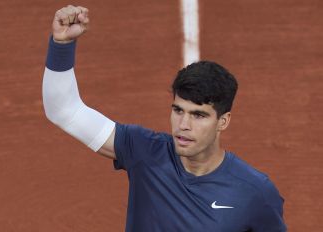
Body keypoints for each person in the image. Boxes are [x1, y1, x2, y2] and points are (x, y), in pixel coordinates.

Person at [42, 5, 286, 232]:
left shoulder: (255, 192)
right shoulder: (145, 151)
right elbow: (65, 111)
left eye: (198, 115)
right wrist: (61, 45)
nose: (183, 125)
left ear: (223, 121)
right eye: (178, 110)